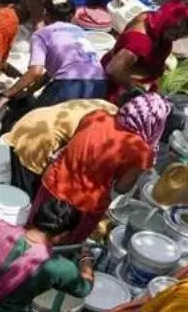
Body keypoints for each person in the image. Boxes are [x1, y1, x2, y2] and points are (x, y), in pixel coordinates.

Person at [35, 97, 166, 244]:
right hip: (85, 203)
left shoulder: (97, 116)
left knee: (36, 232)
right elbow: (122, 187)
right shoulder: (141, 151)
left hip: (54, 181)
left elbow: (77, 143)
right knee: (63, 246)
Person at [0, 0, 108, 109]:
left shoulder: (42, 34)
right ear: (72, 16)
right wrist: (28, 92)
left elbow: (35, 71)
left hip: (69, 86)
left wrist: (7, 94)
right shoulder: (79, 31)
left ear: (46, 14)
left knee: (39, 121)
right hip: (99, 85)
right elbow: (50, 74)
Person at [0, 99, 117, 197]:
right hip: (40, 137)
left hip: (36, 119)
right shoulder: (107, 128)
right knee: (23, 191)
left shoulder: (110, 108)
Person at [103, 0, 188, 101]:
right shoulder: (139, 43)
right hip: (120, 88)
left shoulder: (150, 17)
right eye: (176, 35)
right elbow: (113, 69)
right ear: (167, 27)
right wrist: (135, 89)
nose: (177, 39)